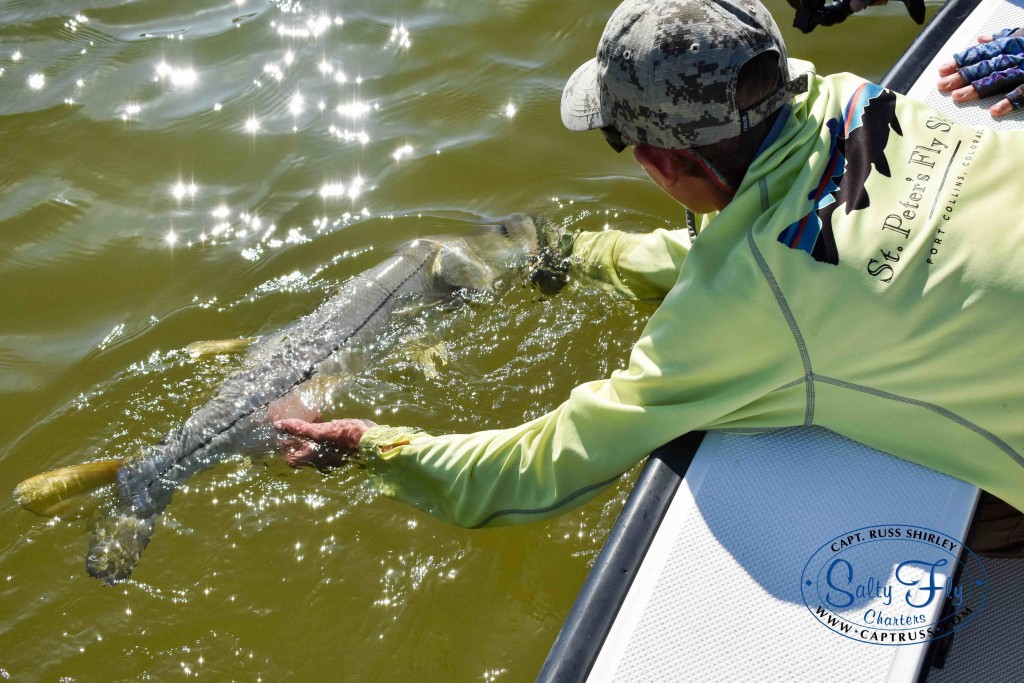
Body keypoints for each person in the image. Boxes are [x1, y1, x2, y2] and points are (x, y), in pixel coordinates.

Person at [276, 0, 1024, 540]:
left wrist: (369, 447)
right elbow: (791, 231)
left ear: (660, 162)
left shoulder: (747, 308)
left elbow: (537, 466)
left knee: (946, 519)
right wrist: (580, 255)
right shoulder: (855, 99)